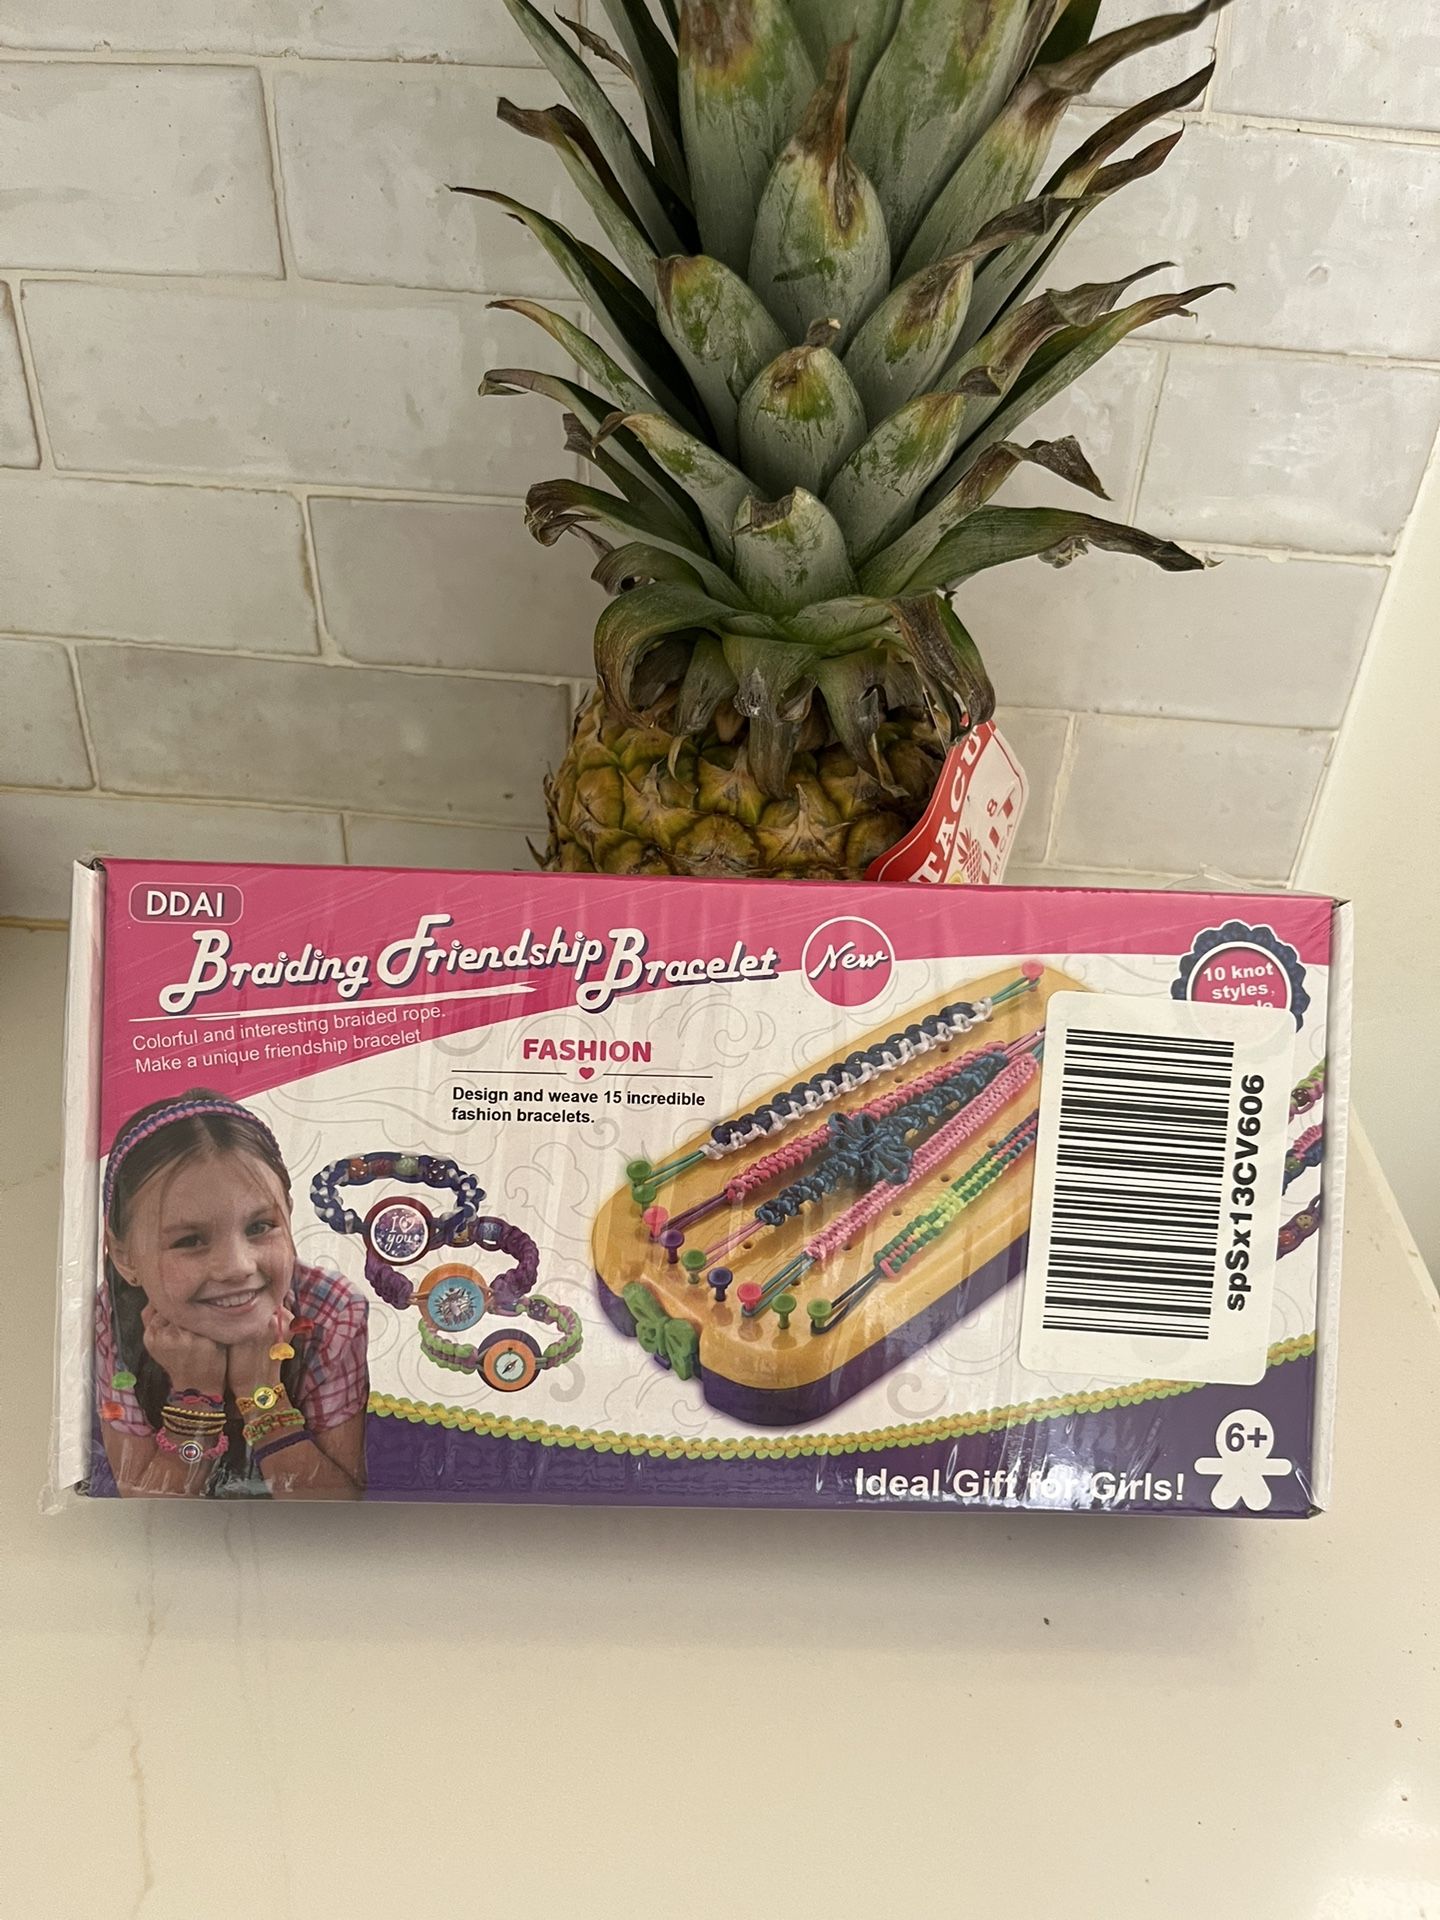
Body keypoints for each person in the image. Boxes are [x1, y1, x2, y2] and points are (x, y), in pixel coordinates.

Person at [97, 1091, 366, 1499]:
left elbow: (336, 1507)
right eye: (190, 1240)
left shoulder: (332, 1311)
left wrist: (263, 1398)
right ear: (124, 1257)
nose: (237, 1266)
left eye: (260, 1227)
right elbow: (147, 1508)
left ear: (288, 1214)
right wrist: (195, 1396)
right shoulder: (110, 1319)